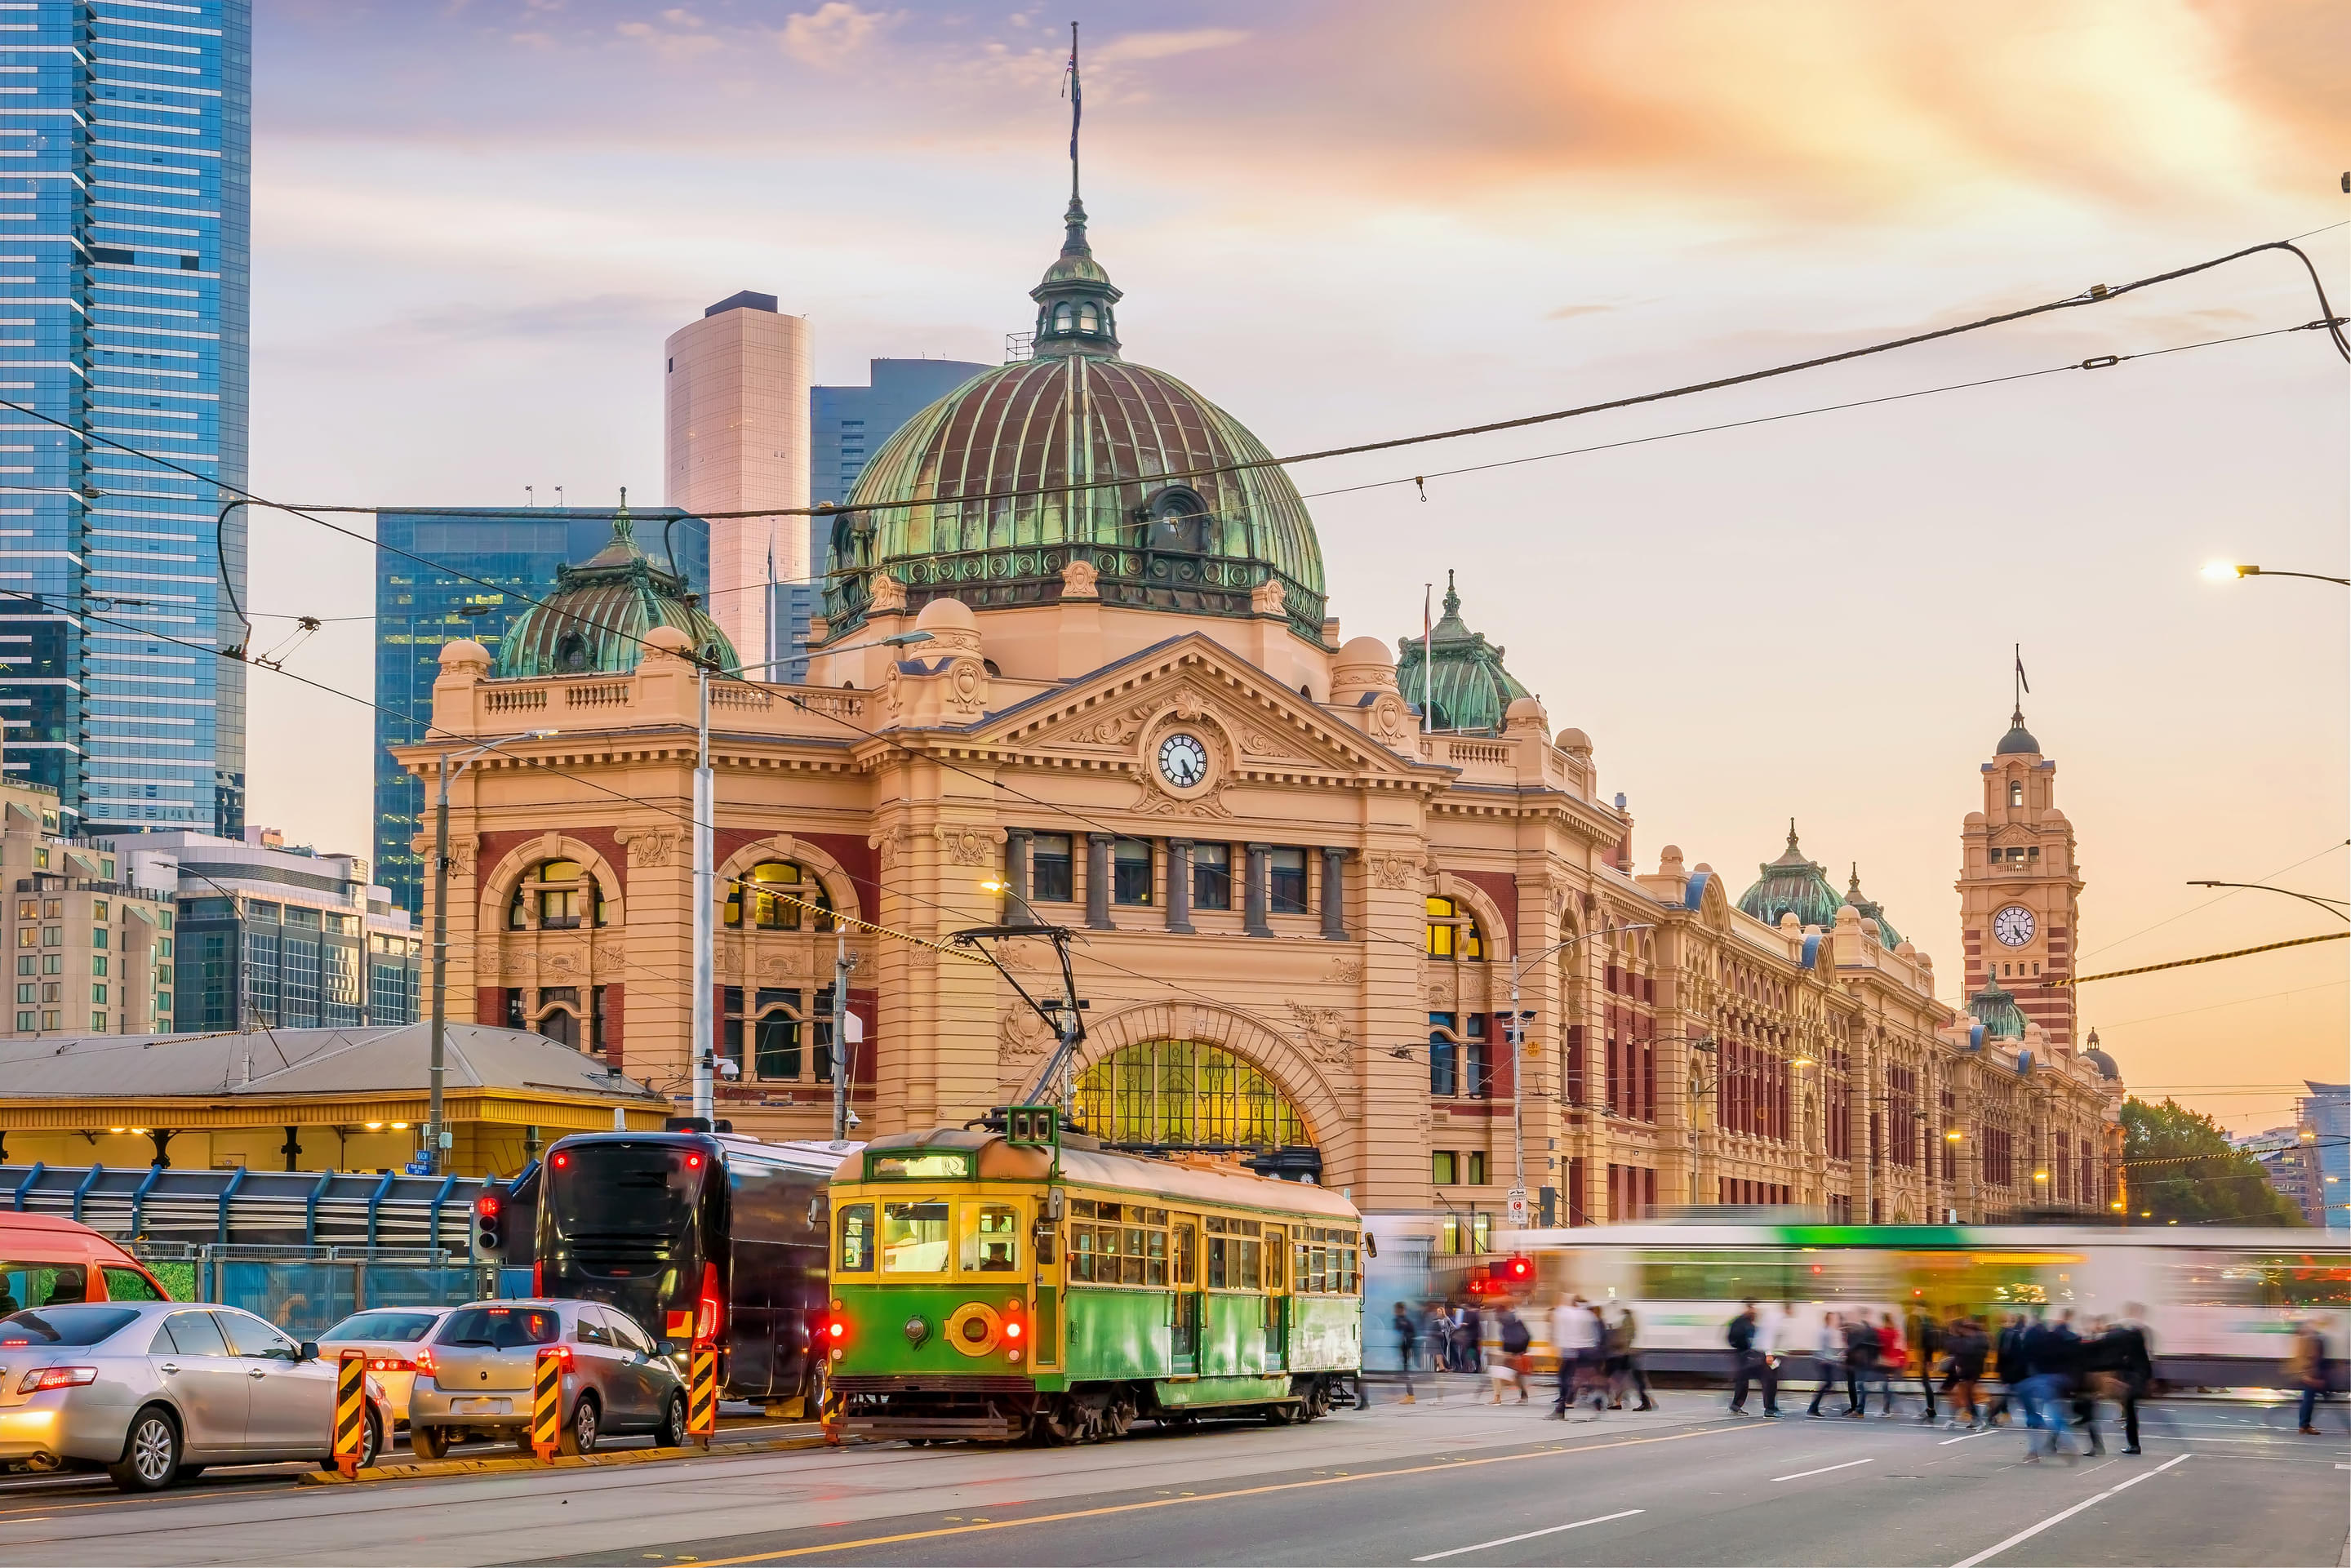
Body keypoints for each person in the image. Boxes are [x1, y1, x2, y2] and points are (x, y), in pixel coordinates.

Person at [2015, 1312, 2074, 1463]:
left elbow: (2026, 1358)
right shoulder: (2062, 1338)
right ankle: (2063, 1443)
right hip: (2055, 1379)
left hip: (2038, 1379)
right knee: (2053, 1411)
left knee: (2038, 1413)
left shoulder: (2033, 1338)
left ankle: (2035, 1450)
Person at [2102, 1304, 2153, 1454]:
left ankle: (2134, 1445)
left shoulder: (2126, 1344)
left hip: (2130, 1380)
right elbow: (2145, 1362)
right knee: (2131, 1410)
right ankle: (2133, 1443)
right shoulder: (2139, 1339)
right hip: (2138, 1378)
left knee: (2130, 1410)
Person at [1550, 1294, 1602, 1419]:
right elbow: (1596, 1336)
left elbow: (1556, 1327)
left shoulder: (1566, 1313)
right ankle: (1596, 1400)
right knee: (1582, 1379)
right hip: (1588, 1351)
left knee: (1565, 1379)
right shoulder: (1589, 1315)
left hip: (1571, 1352)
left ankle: (1561, 1408)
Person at [1727, 1298, 1780, 1417]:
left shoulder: (1750, 1321)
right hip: (1746, 1356)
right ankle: (1770, 1409)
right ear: (1748, 1308)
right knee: (1764, 1380)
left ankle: (1736, 1406)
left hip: (1753, 1355)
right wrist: (1744, 1348)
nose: (1755, 1310)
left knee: (1745, 1381)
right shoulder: (1740, 1322)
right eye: (1753, 1307)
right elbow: (1733, 1339)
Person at [2287, 1318, 2332, 1436]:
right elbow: (2302, 1359)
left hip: (2315, 1374)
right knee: (2309, 1400)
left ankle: (2304, 1425)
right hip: (2310, 1375)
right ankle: (2304, 1425)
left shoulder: (2315, 1339)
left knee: (2310, 1399)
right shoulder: (2306, 1341)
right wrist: (2305, 1375)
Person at [1943, 1314, 1988, 1431]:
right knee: (1963, 1395)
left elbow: (1960, 1353)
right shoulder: (1976, 1338)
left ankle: (1977, 1420)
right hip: (1967, 1371)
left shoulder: (1967, 1340)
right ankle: (1973, 1419)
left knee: (1966, 1396)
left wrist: (1960, 1366)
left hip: (1966, 1371)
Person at [1808, 1310, 1850, 1418]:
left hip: (1825, 1360)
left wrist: (1834, 1358)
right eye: (1831, 1319)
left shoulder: (1828, 1331)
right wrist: (1827, 1359)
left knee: (1829, 1383)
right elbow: (1821, 1347)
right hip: (1822, 1360)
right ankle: (1813, 1408)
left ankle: (1813, 1408)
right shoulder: (1824, 1332)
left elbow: (1828, 1349)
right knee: (1828, 1383)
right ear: (1828, 1319)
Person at [1906, 1305, 1941, 1423]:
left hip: (1924, 1358)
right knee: (1925, 1383)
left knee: (1926, 1384)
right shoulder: (1925, 1324)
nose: (1915, 1311)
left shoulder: (1925, 1326)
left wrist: (1927, 1360)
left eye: (1917, 1309)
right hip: (1924, 1358)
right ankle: (1930, 1409)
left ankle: (1931, 1409)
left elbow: (1929, 1344)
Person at [1492, 1304, 1532, 1404]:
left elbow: (1508, 1339)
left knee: (1496, 1372)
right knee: (1515, 1374)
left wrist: (1506, 1353)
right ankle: (1523, 1396)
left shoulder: (1505, 1322)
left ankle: (1497, 1398)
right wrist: (1523, 1350)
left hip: (1510, 1351)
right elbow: (1528, 1336)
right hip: (1518, 1350)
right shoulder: (1516, 1319)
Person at [1392, 1301, 1419, 1405]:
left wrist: (1406, 1349)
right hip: (1404, 1350)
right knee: (1402, 1373)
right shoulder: (1404, 1321)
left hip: (1404, 1350)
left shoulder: (1403, 1321)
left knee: (1404, 1373)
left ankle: (1410, 1396)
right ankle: (1409, 1395)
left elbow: (1404, 1336)